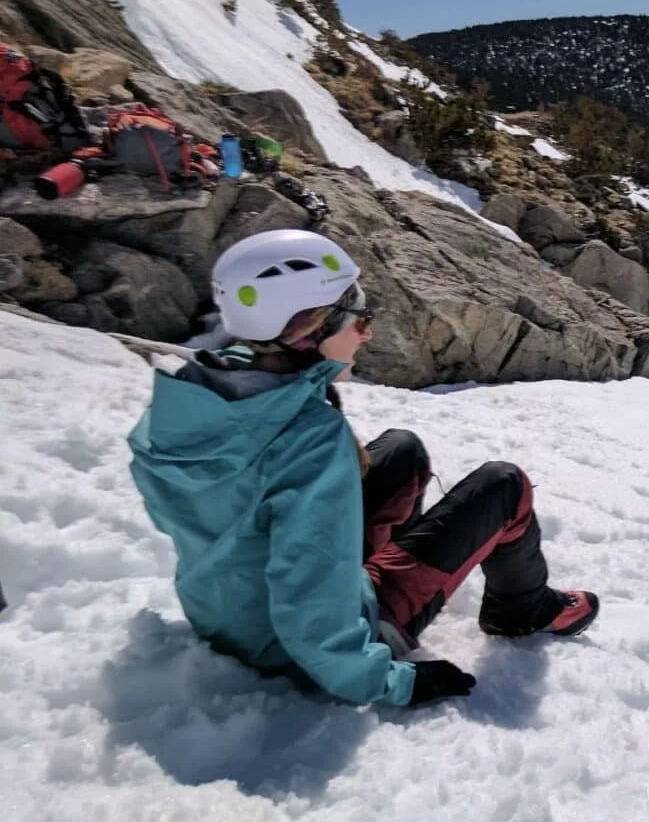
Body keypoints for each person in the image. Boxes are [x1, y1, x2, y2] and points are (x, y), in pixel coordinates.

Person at [127, 230, 599, 708]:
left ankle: (393, 569)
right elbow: (308, 612)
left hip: (229, 611)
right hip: (303, 647)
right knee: (505, 486)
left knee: (401, 451)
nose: (367, 332)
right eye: (358, 317)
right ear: (311, 327)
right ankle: (522, 609)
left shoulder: (194, 394)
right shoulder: (308, 439)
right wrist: (391, 681)